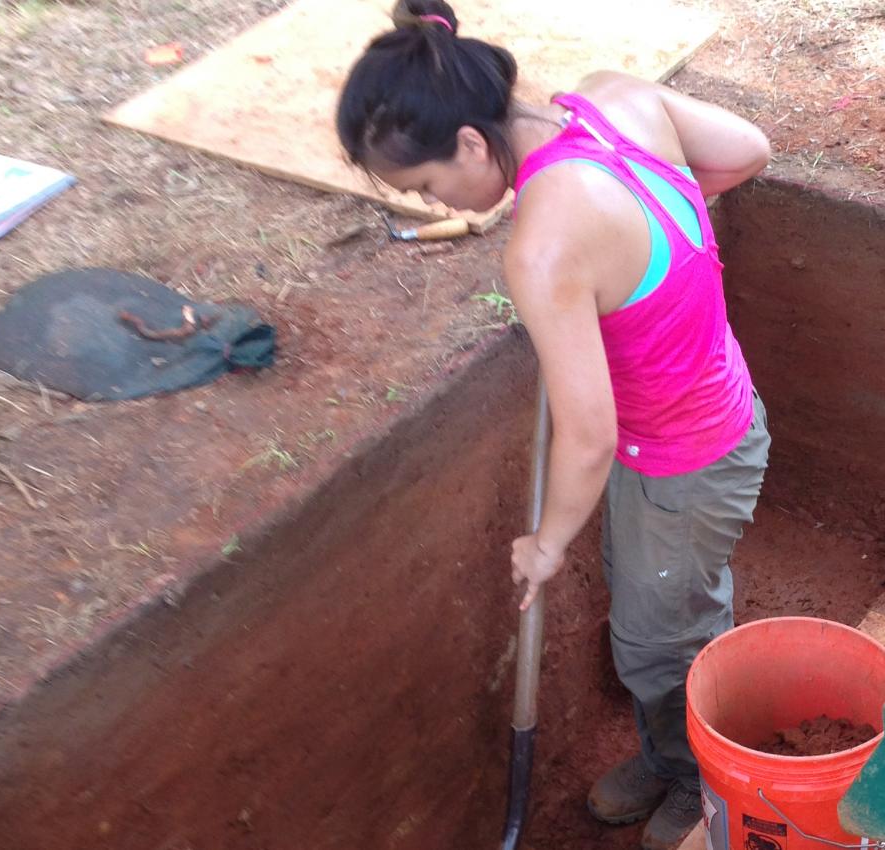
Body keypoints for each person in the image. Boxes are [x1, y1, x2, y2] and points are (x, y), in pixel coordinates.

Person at [336, 2, 773, 847]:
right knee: (663, 595)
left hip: (683, 455)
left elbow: (589, 439)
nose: (436, 202)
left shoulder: (543, 247)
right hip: (721, 406)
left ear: (469, 142)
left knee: (653, 638)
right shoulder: (612, 101)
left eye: (426, 186)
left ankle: (698, 774)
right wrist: (645, 255)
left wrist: (545, 543)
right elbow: (747, 152)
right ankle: (672, 740)